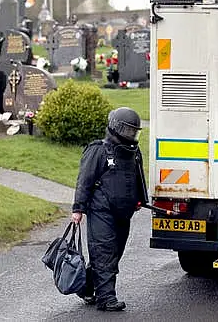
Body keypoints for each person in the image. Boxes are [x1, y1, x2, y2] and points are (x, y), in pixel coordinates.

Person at [71, 107, 148, 311]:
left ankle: (86, 286)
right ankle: (106, 299)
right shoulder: (98, 150)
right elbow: (84, 180)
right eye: (128, 130)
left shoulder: (133, 152)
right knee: (104, 252)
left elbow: (138, 178)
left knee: (113, 254)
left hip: (124, 212)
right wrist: (78, 209)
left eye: (134, 131)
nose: (131, 135)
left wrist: (140, 200)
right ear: (116, 128)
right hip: (100, 211)